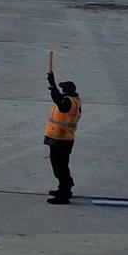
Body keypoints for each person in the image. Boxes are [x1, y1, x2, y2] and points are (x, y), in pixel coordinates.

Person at [44, 69, 81, 204]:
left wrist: (53, 86)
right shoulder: (74, 99)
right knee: (61, 166)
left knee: (59, 167)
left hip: (61, 139)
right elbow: (59, 99)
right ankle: (64, 188)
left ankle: (64, 194)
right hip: (63, 138)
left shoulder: (67, 102)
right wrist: (53, 86)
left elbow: (59, 101)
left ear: (66, 91)